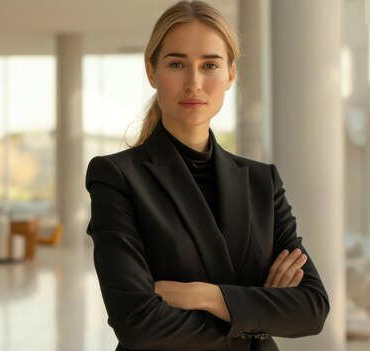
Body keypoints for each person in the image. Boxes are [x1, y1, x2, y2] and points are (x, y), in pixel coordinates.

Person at [85, 1, 329, 350]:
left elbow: (313, 308)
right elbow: (137, 324)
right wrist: (257, 311)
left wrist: (205, 295)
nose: (194, 82)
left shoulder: (262, 181)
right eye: (176, 64)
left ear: (230, 74)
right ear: (152, 72)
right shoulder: (116, 177)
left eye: (210, 64)